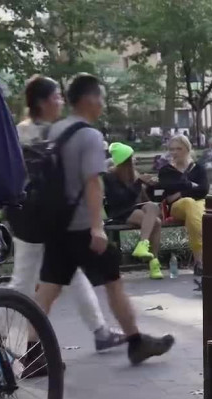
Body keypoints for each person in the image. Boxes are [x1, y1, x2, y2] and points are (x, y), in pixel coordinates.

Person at [34, 74, 174, 368]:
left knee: (47, 288)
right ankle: (136, 342)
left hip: (56, 224)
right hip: (83, 227)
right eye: (101, 98)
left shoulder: (53, 130)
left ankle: (32, 354)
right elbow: (93, 183)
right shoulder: (89, 135)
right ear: (89, 99)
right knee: (114, 282)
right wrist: (97, 227)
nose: (102, 104)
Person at [10, 75, 126, 352]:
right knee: (23, 281)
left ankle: (99, 330)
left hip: (47, 216)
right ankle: (15, 347)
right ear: (44, 101)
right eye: (57, 97)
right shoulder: (30, 132)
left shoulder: (43, 130)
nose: (61, 102)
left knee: (71, 274)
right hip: (35, 216)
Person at [103, 142, 163, 279]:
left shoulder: (133, 174)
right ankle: (154, 263)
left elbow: (142, 199)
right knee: (157, 223)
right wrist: (138, 182)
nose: (134, 161)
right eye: (131, 158)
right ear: (124, 161)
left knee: (153, 208)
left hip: (135, 208)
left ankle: (143, 245)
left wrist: (150, 185)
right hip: (120, 212)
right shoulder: (110, 177)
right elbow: (121, 199)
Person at [157, 134, 207, 273]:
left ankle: (199, 262)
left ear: (187, 149)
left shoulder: (198, 168)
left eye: (178, 149)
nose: (174, 152)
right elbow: (168, 187)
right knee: (190, 203)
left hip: (198, 204)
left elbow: (203, 190)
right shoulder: (166, 171)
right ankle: (200, 260)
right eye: (171, 149)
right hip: (178, 207)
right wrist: (191, 186)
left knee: (194, 206)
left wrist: (180, 193)